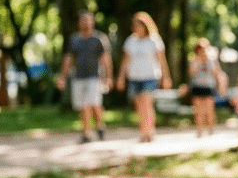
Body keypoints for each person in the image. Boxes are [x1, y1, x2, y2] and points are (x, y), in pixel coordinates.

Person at [56, 10, 113, 143]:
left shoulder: (99, 38)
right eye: (83, 20)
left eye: (88, 20)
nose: (86, 23)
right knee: (83, 105)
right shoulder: (74, 39)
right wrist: (62, 77)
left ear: (92, 21)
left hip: (95, 77)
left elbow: (105, 58)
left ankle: (98, 126)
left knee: (94, 104)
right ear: (79, 23)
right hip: (78, 77)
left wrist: (108, 76)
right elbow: (69, 58)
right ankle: (87, 133)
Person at [116, 12, 171, 142]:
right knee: (139, 106)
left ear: (145, 26)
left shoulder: (154, 40)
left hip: (150, 77)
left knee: (147, 104)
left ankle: (150, 131)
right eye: (134, 25)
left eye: (139, 25)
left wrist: (166, 77)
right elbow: (125, 61)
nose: (137, 28)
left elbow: (162, 61)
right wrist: (121, 78)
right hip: (134, 77)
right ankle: (143, 132)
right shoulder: (130, 41)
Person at [187, 37, 226, 136]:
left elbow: (217, 73)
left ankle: (210, 128)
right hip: (197, 87)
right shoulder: (194, 61)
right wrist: (198, 61)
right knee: (198, 110)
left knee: (209, 109)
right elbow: (191, 73)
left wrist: (221, 87)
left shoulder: (212, 61)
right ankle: (199, 129)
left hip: (209, 87)